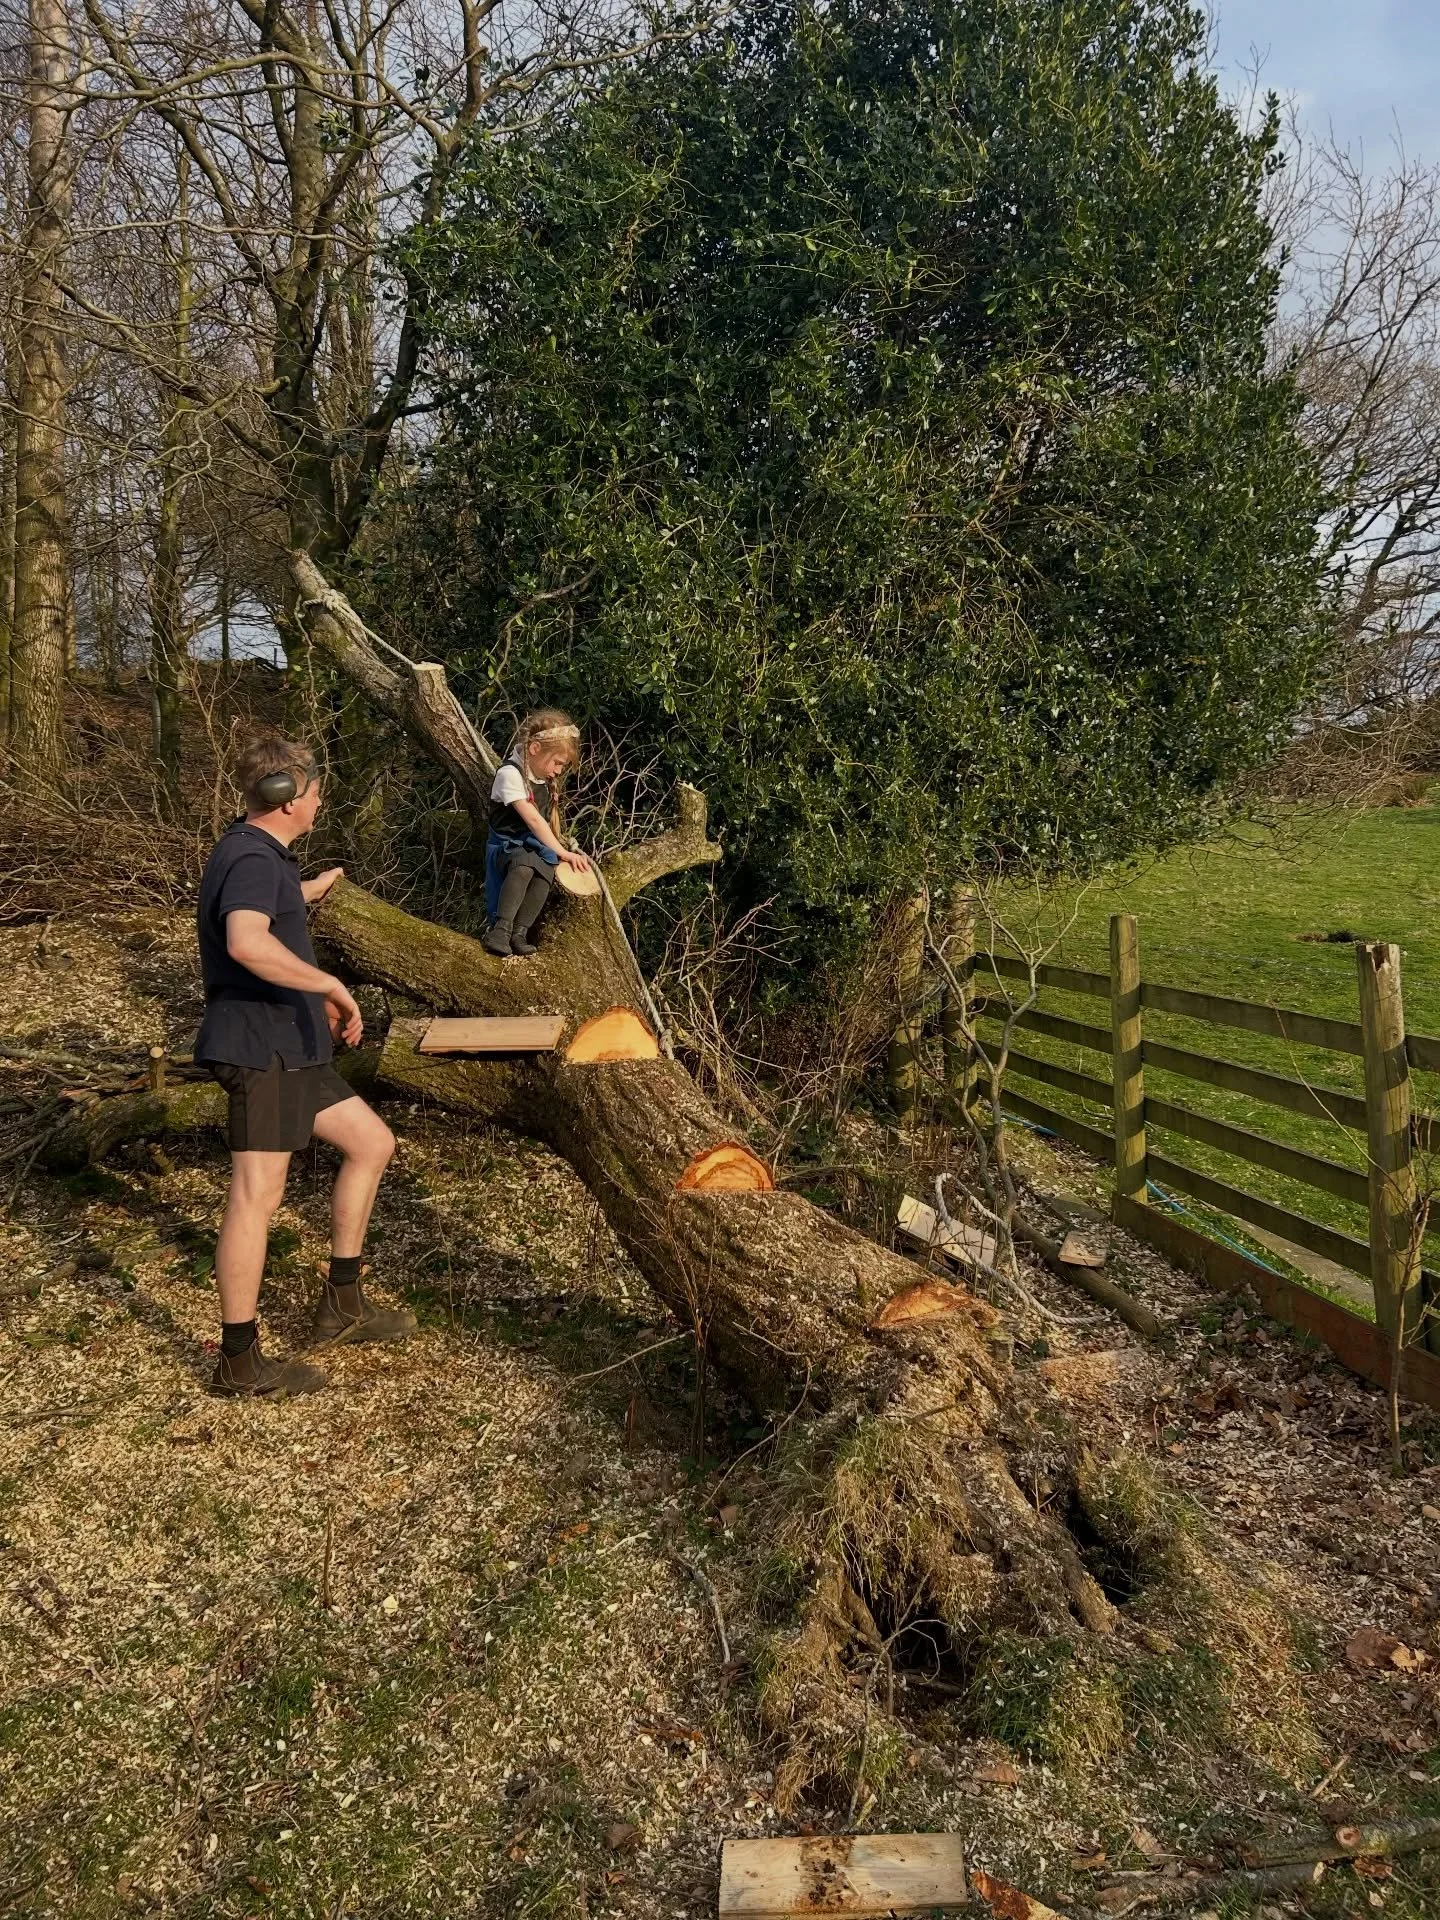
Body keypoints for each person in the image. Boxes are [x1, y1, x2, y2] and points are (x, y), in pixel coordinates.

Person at [195, 733, 414, 1397]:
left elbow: (271, 902)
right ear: (288, 797)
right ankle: (238, 1360)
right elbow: (246, 941)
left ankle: (342, 1305)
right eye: (316, 793)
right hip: (261, 1047)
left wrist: (310, 889)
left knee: (372, 1142)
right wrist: (328, 985)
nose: (320, 804)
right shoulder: (252, 859)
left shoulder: (258, 855)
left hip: (291, 1046)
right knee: (257, 1195)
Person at [482, 708, 593, 957]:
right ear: (534, 749)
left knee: (545, 871)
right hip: (506, 845)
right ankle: (500, 929)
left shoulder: (542, 780)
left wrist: (559, 850)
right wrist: (564, 851)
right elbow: (533, 820)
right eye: (557, 763)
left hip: (531, 844)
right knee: (523, 867)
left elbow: (544, 824)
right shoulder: (510, 775)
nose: (559, 771)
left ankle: (520, 933)